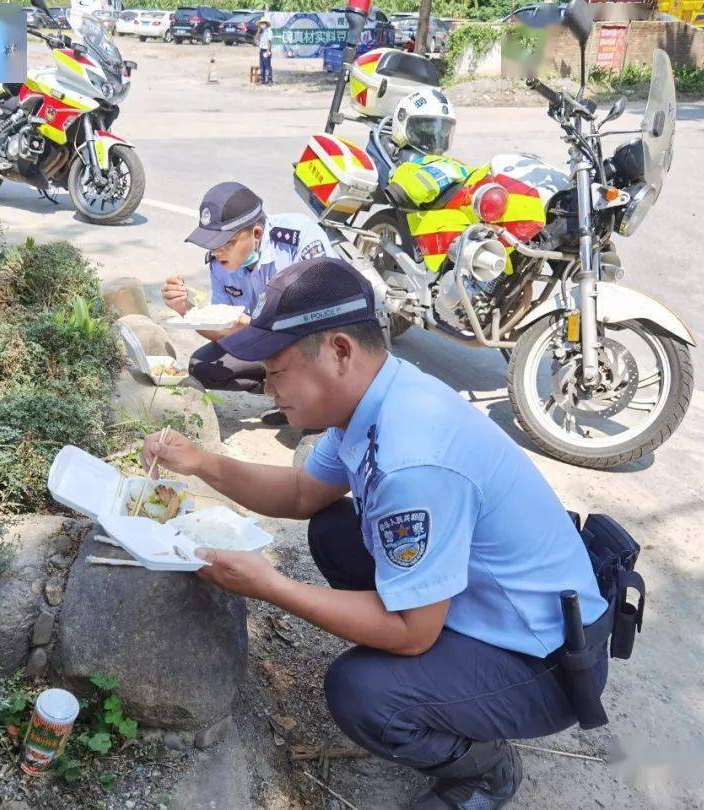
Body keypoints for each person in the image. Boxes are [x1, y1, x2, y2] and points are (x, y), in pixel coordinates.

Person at [143, 257, 610, 809]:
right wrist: (200, 462)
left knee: (363, 692)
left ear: (340, 351)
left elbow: (413, 633)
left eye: (276, 370)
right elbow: (300, 495)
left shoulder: (411, 458)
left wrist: (269, 586)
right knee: (335, 530)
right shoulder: (378, 397)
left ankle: (485, 771)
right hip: (487, 608)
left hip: (543, 663)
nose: (268, 390)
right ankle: (443, 683)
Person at [161, 182, 336, 415]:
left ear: (256, 234)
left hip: (317, 342)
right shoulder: (219, 265)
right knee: (203, 367)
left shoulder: (300, 239)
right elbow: (222, 331)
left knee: (310, 358)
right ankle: (281, 394)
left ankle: (317, 409)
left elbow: (326, 315)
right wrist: (186, 309)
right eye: (212, 244)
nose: (217, 252)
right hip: (268, 345)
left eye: (227, 243)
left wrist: (259, 326)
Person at [256, 18, 273, 85]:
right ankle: (262, 80)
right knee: (262, 66)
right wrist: (258, 30)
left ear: (266, 24)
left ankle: (270, 80)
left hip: (266, 50)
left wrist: (268, 51)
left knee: (267, 66)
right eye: (261, 23)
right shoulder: (262, 31)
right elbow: (256, 38)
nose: (262, 24)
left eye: (263, 23)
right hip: (261, 50)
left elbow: (269, 41)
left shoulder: (269, 31)